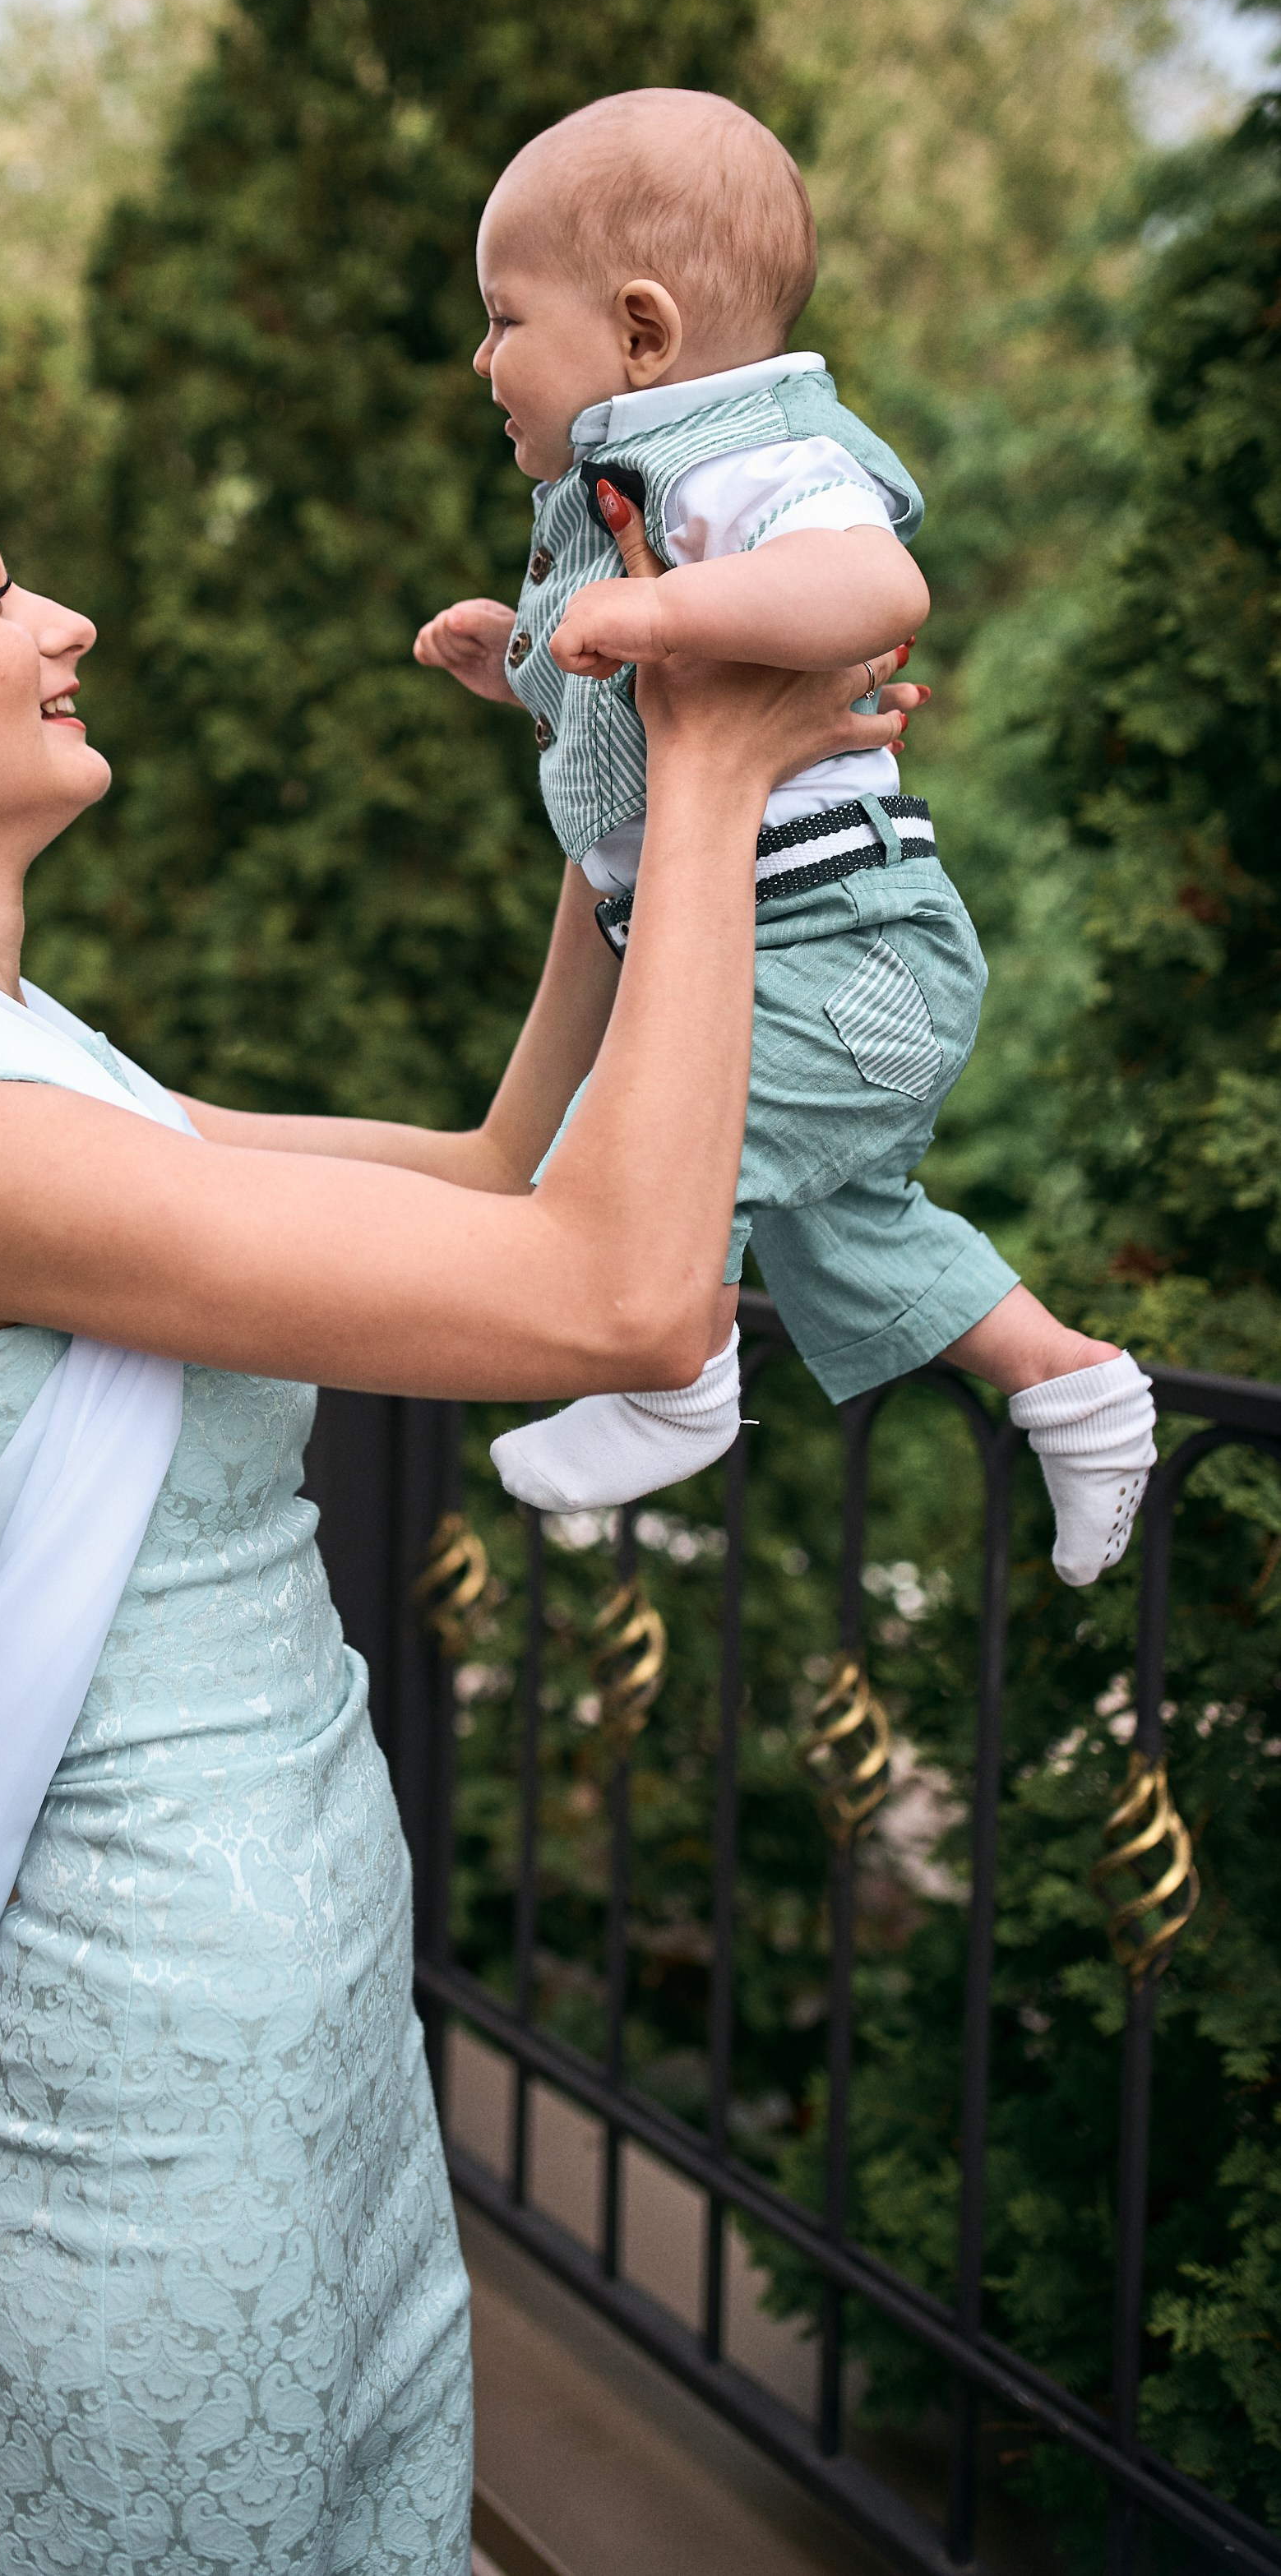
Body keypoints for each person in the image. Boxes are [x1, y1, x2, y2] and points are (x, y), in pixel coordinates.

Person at [0, 425, 912, 2574]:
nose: (63, 619)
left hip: (307, 1997)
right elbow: (620, 1295)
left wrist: (608, 804)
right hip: (157, 2065)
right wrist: (718, 779)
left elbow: (494, 1183)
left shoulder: (49, 1079)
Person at [414, 88, 1156, 1586]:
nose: (481, 360)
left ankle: (668, 1373)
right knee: (844, 1236)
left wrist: (658, 608)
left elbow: (872, 591)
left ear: (639, 332)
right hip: (789, 957)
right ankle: (1073, 1390)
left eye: (503, 321)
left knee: (635, 1167)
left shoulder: (749, 458)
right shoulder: (615, 491)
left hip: (846, 953)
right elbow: (650, 722)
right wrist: (527, 661)